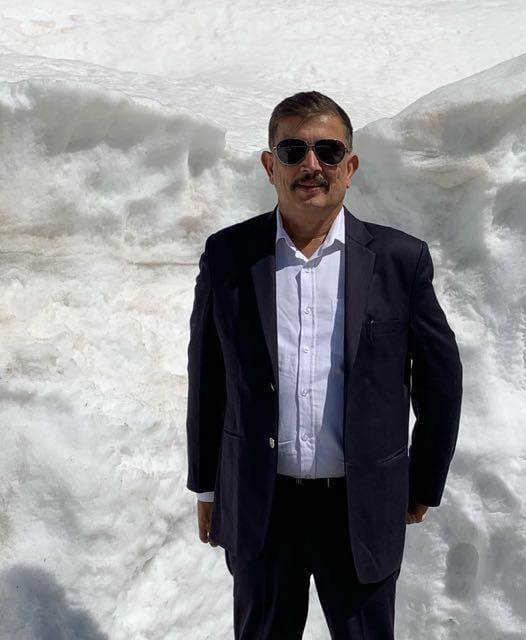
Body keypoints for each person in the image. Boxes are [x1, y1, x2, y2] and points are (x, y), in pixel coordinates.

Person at [185, 90, 463, 639]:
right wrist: (208, 488)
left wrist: (422, 481)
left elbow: (441, 380)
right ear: (270, 166)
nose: (311, 165)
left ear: (350, 167)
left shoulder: (400, 260)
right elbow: (208, 377)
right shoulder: (229, 256)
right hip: (262, 505)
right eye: (293, 151)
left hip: (362, 508)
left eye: (328, 151)